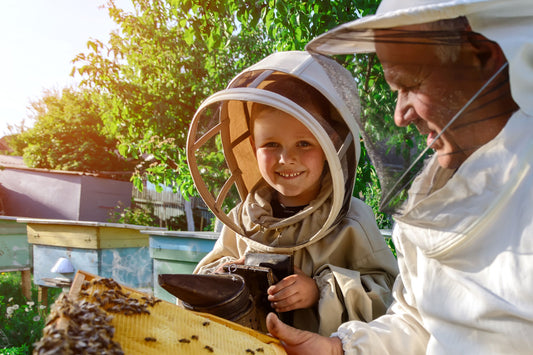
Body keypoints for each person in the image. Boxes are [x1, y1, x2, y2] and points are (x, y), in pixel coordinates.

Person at [265, 0, 533, 354]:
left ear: (481, 57)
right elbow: (415, 321)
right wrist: (336, 349)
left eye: (411, 85)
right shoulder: (435, 191)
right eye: (395, 91)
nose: (399, 116)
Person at [186, 50, 399, 336]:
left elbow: (388, 297)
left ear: (329, 147)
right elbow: (201, 281)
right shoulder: (243, 218)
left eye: (303, 143)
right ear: (252, 145)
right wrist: (226, 277)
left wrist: (320, 291)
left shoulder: (354, 220)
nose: (286, 158)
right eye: (271, 144)